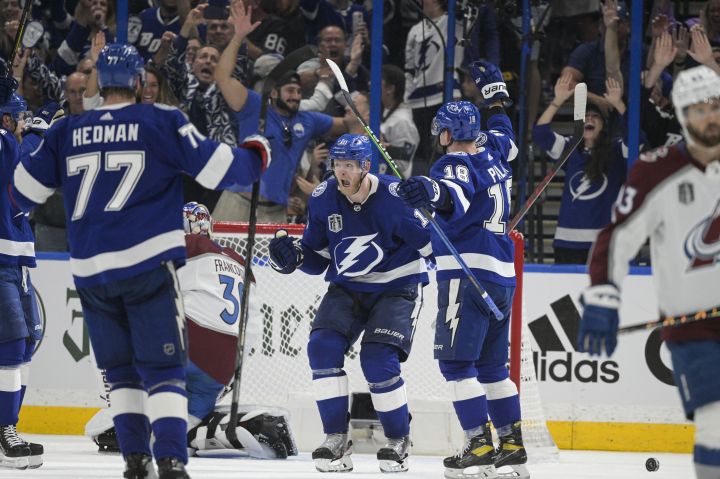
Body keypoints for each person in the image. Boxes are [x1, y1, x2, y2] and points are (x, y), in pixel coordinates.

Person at [10, 43, 271, 479]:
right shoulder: (160, 120)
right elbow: (225, 170)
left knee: (121, 372)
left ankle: (135, 462)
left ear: (100, 83)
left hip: (91, 274)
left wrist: (36, 135)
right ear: (137, 82)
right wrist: (258, 149)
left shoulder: (66, 131)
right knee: (165, 370)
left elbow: (21, 194)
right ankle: (169, 460)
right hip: (148, 267)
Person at [577, 65, 720, 479]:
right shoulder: (656, 170)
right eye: (696, 109)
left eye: (715, 107)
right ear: (681, 114)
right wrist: (604, 296)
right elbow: (617, 237)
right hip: (694, 330)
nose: (708, 117)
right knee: (715, 421)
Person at [268, 133, 431, 473]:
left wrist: (427, 234)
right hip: (348, 287)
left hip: (397, 287)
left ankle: (398, 439)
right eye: (337, 164)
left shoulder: (394, 197)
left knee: (378, 359)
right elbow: (318, 258)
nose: (341, 171)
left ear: (365, 167)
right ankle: (335, 439)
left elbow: (433, 250)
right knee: (322, 348)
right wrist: (295, 257)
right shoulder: (324, 197)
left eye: (348, 165)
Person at [85, 202, 297, 460]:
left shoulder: (182, 248)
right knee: (177, 426)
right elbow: (251, 330)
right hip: (223, 368)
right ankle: (242, 426)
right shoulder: (242, 263)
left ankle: (121, 406)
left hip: (184, 352)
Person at [397, 61, 527, 479]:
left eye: (441, 131)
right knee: (493, 370)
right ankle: (511, 443)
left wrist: (428, 190)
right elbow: (508, 136)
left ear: (449, 133)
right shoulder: (494, 154)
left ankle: (479, 441)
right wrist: (498, 101)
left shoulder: (451, 162)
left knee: (456, 366)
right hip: (502, 275)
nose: (439, 137)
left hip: (466, 275)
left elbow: (452, 192)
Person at [212, 0, 348, 223]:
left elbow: (346, 124)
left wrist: (366, 126)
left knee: (276, 259)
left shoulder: (308, 119)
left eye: (298, 91)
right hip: (237, 204)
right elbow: (222, 77)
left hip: (275, 213)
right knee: (220, 259)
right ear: (273, 93)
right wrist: (238, 37)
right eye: (290, 91)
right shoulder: (254, 106)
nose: (295, 96)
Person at [0, 78, 56, 470]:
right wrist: (40, 132)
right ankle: (5, 429)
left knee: (25, 342)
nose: (23, 122)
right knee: (12, 342)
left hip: (17, 260)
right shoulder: (4, 143)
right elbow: (22, 162)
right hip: (0, 260)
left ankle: (9, 426)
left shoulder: (11, 142)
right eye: (19, 117)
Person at [534, 74, 629, 264]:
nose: (589, 119)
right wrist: (558, 101)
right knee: (567, 294)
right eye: (585, 116)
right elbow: (540, 134)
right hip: (566, 241)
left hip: (602, 242)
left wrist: (619, 105)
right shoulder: (570, 148)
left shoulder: (616, 150)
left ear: (603, 125)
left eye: (595, 116)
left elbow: (637, 138)